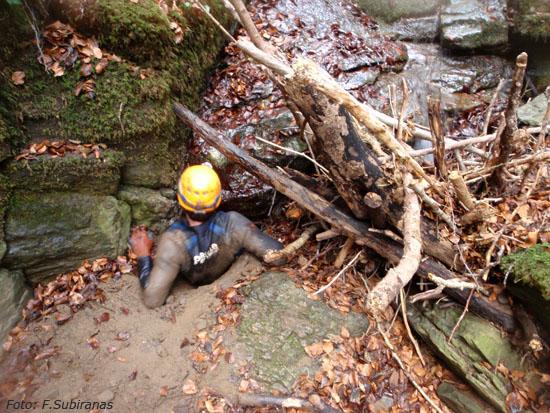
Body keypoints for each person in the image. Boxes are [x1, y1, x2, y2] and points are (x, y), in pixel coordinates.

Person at [129, 164, 285, 308]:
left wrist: (143, 256)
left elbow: (152, 299)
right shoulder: (233, 223)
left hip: (193, 286)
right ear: (218, 199)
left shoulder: (173, 242)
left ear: (180, 198)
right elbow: (280, 256)